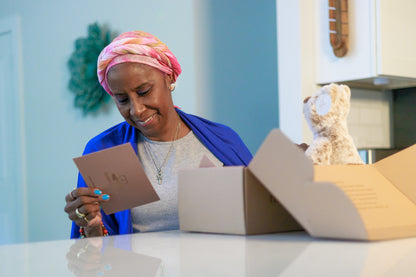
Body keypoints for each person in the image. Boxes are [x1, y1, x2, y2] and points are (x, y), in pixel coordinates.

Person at [64, 31, 253, 238]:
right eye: (122, 100)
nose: (136, 110)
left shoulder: (222, 141)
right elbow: (98, 259)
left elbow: (260, 218)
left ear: (169, 77)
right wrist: (91, 227)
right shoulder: (104, 151)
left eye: (144, 91)